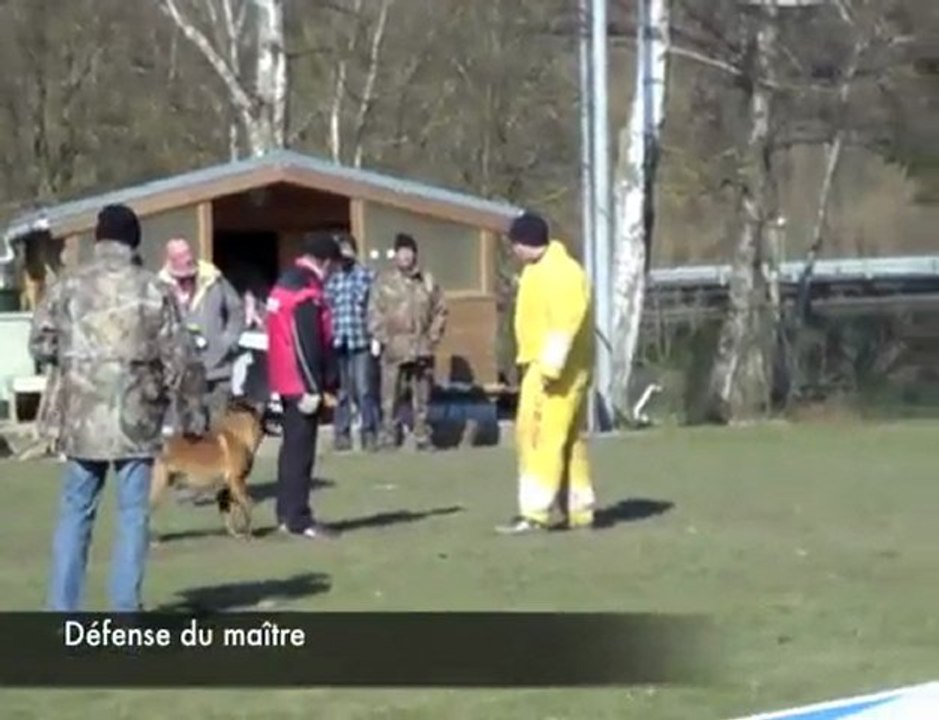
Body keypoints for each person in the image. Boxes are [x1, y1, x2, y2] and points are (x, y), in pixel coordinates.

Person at [29, 204, 204, 611]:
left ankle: (62, 612)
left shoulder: (69, 287)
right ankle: (125, 612)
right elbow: (180, 358)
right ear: (134, 240)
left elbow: (40, 343)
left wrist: (77, 361)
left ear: (98, 238)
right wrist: (192, 412)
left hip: (81, 417)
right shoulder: (154, 290)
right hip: (137, 416)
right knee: (132, 515)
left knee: (76, 512)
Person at [498, 211, 596, 535]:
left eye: (514, 244)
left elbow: (565, 321)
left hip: (556, 371)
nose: (513, 251)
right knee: (569, 441)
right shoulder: (540, 270)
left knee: (540, 438)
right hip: (548, 366)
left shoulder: (561, 272)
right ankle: (578, 509)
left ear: (524, 242)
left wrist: (551, 366)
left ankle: (535, 512)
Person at [266, 232, 341, 539]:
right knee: (301, 452)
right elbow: (305, 342)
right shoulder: (305, 291)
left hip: (284, 379)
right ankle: (298, 518)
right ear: (325, 262)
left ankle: (286, 513)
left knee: (290, 450)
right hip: (300, 382)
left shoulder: (285, 282)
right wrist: (314, 387)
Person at [367, 233, 447, 451]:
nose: (405, 256)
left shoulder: (427, 281)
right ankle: (388, 436)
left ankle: (422, 435)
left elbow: (441, 310)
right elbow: (373, 313)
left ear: (415, 254)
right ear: (395, 255)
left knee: (422, 396)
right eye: (401, 251)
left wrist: (433, 336)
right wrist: (385, 339)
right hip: (394, 349)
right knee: (390, 396)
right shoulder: (383, 282)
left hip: (422, 347)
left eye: (408, 251)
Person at [158, 238, 245, 429]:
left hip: (217, 371)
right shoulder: (160, 288)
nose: (185, 280)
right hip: (181, 375)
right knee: (187, 436)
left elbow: (237, 311)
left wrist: (227, 342)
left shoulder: (214, 281)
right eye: (180, 278)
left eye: (189, 275)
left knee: (219, 431)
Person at [324, 232, 380, 452]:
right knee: (343, 392)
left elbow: (375, 309)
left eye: (347, 249)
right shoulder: (333, 280)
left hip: (362, 341)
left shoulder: (367, 276)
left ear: (354, 252)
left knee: (364, 389)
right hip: (340, 343)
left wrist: (376, 337)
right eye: (340, 250)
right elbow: (327, 310)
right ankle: (342, 434)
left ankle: (369, 432)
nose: (344, 254)